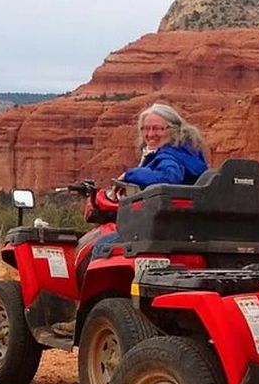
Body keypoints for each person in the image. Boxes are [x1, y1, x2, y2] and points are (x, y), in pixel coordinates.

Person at [51, 103, 208, 337]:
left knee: (101, 247)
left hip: (159, 230)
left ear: (173, 129)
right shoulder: (192, 155)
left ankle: (86, 316)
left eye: (157, 128)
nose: (150, 134)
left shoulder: (170, 155)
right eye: (145, 129)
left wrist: (131, 174)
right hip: (185, 228)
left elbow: (168, 176)